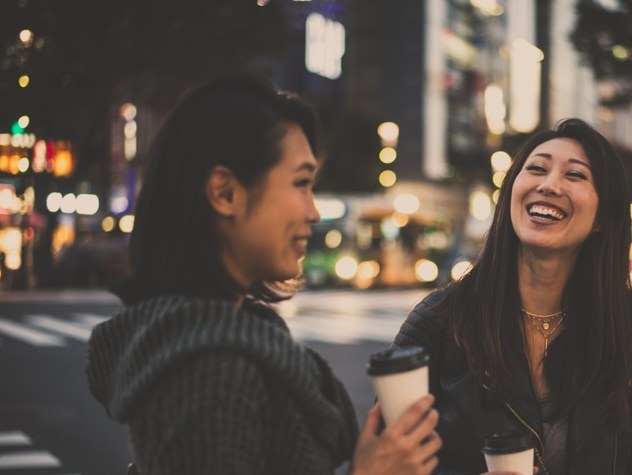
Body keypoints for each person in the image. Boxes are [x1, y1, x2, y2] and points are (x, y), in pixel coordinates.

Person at [86, 74, 442, 475]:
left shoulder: (233, 337)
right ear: (225, 192)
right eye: (301, 183)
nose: (313, 212)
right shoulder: (207, 372)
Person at [393, 119, 632, 474]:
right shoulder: (438, 322)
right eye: (536, 169)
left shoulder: (630, 340)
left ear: (602, 219)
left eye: (575, 175)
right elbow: (385, 460)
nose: (549, 185)